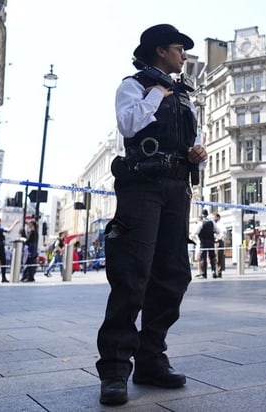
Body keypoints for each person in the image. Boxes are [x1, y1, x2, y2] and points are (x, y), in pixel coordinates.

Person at [96, 24, 207, 406]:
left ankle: (151, 358)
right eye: (180, 49)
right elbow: (129, 124)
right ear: (161, 51)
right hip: (142, 187)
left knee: (173, 273)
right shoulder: (136, 85)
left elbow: (189, 138)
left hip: (178, 188)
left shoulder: (184, 95)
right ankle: (114, 369)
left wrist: (197, 151)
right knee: (131, 274)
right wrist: (156, 94)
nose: (184, 57)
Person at [195, 211, 219, 278]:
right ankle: (213, 272)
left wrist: (198, 239)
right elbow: (218, 231)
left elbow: (195, 232)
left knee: (203, 258)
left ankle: (204, 273)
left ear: (202, 215)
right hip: (211, 242)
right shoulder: (212, 222)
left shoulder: (200, 223)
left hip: (203, 242)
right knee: (212, 257)